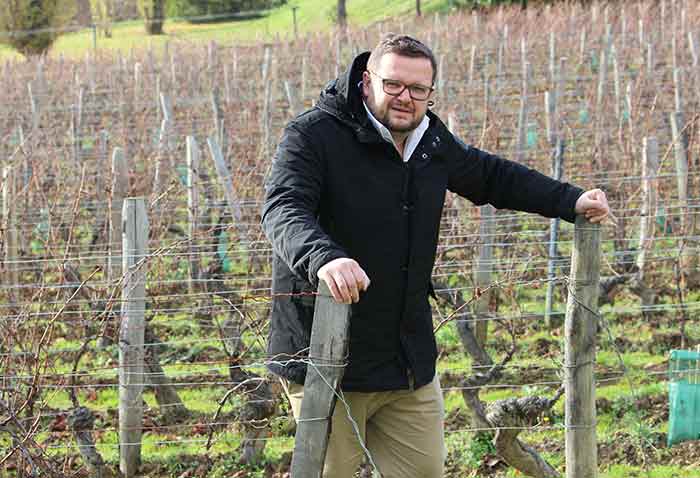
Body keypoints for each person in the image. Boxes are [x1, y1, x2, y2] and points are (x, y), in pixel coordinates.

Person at [261, 34, 610, 478]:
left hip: (405, 361)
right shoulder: (314, 135)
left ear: (430, 92)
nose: (405, 97)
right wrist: (325, 258)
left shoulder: (429, 140)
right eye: (393, 84)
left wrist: (570, 200)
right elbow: (283, 208)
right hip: (327, 360)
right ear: (366, 81)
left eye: (418, 89)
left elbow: (491, 177)